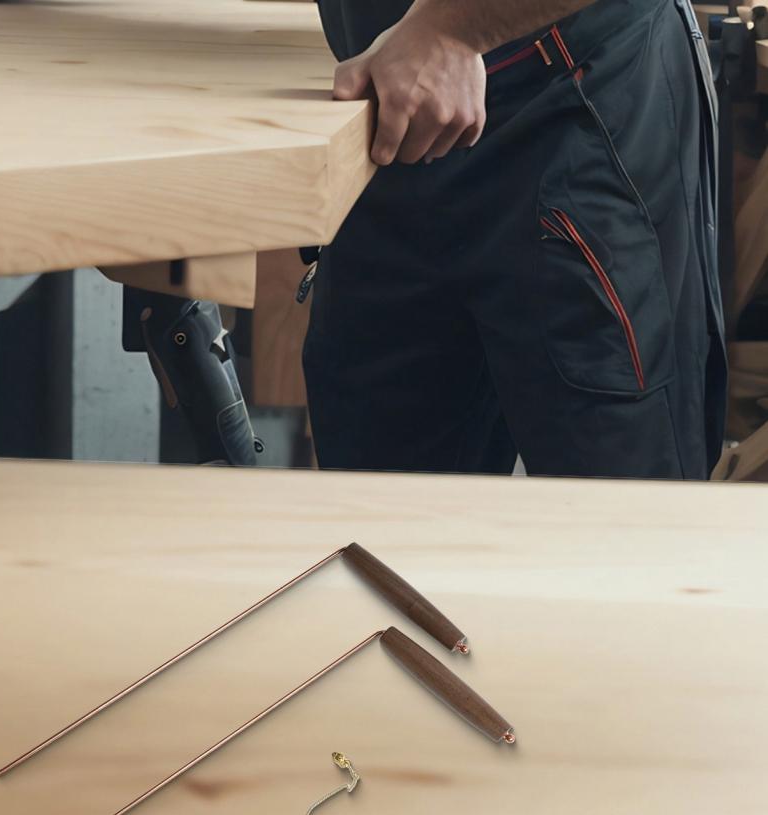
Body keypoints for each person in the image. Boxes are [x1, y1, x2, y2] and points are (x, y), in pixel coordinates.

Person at [305, 0, 726, 479]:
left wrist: (449, 30)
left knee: (617, 510)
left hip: (576, 97)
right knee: (378, 507)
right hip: (394, 106)